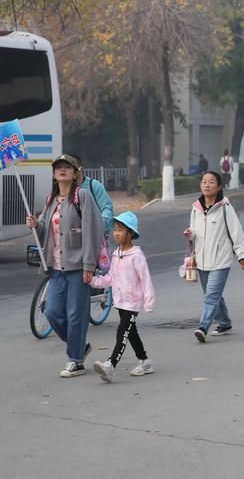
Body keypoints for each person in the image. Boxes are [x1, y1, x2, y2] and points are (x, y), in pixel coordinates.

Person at [26, 154, 104, 378]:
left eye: (67, 167)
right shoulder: (51, 199)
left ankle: (76, 360)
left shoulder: (83, 196)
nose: (62, 170)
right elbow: (46, 231)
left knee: (76, 314)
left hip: (79, 266)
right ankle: (79, 347)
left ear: (74, 172)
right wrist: (36, 225)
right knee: (52, 312)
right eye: (58, 167)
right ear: (53, 174)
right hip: (56, 268)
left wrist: (89, 264)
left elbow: (93, 230)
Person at [184, 171, 244, 342]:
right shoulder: (195, 208)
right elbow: (194, 230)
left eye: (211, 182)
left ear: (219, 186)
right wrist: (190, 234)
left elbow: (236, 232)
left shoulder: (225, 208)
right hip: (202, 260)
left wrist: (242, 256)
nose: (207, 185)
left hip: (221, 259)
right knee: (213, 294)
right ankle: (225, 323)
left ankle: (203, 327)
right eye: (204, 181)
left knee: (211, 295)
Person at [90, 212, 155, 383]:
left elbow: (146, 280)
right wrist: (94, 281)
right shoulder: (115, 254)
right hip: (120, 301)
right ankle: (145, 361)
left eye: (121, 230)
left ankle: (110, 365)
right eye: (115, 230)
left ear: (131, 233)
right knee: (130, 333)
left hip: (132, 303)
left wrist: (148, 302)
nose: (116, 233)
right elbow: (111, 278)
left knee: (122, 333)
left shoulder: (137, 256)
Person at [72, 154, 114, 236]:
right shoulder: (64, 189)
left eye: (72, 167)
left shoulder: (94, 185)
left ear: (81, 169)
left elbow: (107, 208)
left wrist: (100, 225)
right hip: (73, 237)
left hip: (95, 236)